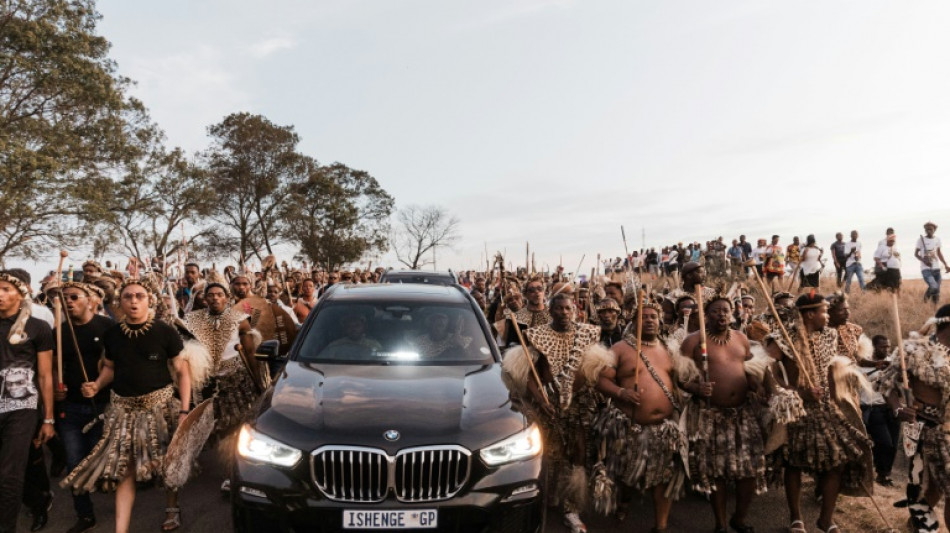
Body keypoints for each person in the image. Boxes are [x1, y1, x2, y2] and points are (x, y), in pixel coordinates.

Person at [62, 278, 193, 533]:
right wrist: (98, 385)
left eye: (139, 296)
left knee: (168, 464)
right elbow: (110, 368)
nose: (133, 301)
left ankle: (172, 508)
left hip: (161, 408)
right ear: (119, 302)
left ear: (149, 300)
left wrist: (185, 410)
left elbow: (182, 370)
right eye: (128, 296)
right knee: (126, 470)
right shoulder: (112, 333)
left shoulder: (164, 331)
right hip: (123, 411)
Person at [765, 292, 871, 533]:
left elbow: (832, 370)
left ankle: (826, 519)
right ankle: (796, 518)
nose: (827, 316)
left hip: (826, 409)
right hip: (796, 409)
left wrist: (838, 401)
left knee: (837, 462)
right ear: (810, 314)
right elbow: (767, 371)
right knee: (793, 463)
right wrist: (794, 393)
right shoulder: (782, 338)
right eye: (824, 311)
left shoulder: (830, 336)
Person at [502, 293, 608, 533]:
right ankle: (543, 501)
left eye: (567, 309)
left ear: (575, 310)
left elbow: (595, 370)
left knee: (579, 453)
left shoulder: (588, 334)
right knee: (548, 455)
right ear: (550, 311)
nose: (563, 312)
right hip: (547, 405)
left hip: (578, 405)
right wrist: (540, 399)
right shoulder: (537, 335)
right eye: (558, 309)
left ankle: (572, 509)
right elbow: (525, 373)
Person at [592, 297, 688, 532]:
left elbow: (681, 382)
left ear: (660, 320)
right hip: (630, 426)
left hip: (664, 428)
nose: (649, 321)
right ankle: (624, 500)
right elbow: (601, 380)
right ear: (633, 322)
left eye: (653, 316)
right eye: (643, 317)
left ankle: (661, 526)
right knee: (627, 476)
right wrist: (621, 392)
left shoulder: (669, 349)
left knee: (663, 477)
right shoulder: (621, 349)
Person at [680, 296, 764, 533]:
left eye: (725, 310)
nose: (721, 315)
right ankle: (720, 524)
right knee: (717, 472)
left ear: (732, 313)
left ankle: (739, 518)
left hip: (742, 414)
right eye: (716, 311)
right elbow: (681, 377)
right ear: (707, 315)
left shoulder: (741, 338)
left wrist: (756, 386)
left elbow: (750, 370)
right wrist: (696, 388)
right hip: (710, 414)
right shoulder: (693, 341)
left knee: (749, 472)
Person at [881, 305, 950, 530]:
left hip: (947, 429)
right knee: (922, 483)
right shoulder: (913, 351)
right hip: (922, 427)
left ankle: (916, 523)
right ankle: (919, 522)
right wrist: (898, 408)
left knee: (939, 487)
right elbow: (887, 385)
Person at [54, 282, 115, 533]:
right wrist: (57, 390)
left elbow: (115, 365)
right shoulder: (58, 332)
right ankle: (85, 514)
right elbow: (54, 366)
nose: (69, 302)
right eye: (64, 298)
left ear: (90, 300)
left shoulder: (108, 328)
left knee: (99, 458)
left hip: (102, 405)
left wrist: (99, 384)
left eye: (74, 297)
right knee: (74, 462)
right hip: (71, 409)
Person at [0, 271, 55, 533]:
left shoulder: (37, 327)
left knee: (9, 475)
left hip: (22, 409)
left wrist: (48, 418)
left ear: (21, 294)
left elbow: (45, 376)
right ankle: (38, 499)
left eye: (5, 289)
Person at [858, 335, 896, 487]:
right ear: (873, 347)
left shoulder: (892, 362)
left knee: (892, 443)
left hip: (889, 407)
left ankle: (884, 474)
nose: (886, 350)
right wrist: (877, 368)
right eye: (882, 347)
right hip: (872, 408)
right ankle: (873, 470)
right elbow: (859, 380)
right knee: (884, 442)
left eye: (887, 347)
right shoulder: (863, 362)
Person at [916, 221, 949, 305]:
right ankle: (924, 301)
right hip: (926, 269)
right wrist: (924, 261)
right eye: (927, 229)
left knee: (937, 290)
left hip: (936, 268)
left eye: (930, 229)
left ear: (934, 230)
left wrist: (945, 265)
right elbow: (916, 254)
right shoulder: (921, 240)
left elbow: (939, 253)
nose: (928, 231)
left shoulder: (937, 240)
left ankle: (934, 309)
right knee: (933, 286)